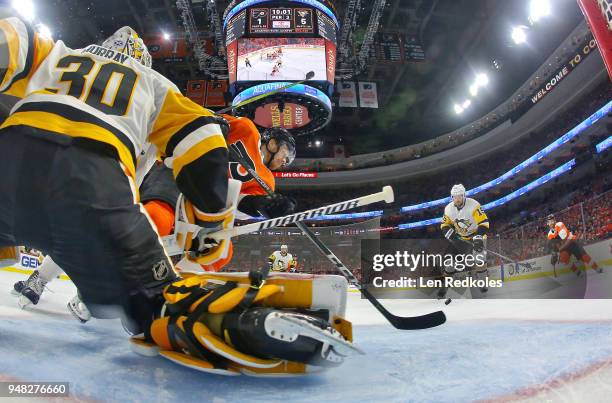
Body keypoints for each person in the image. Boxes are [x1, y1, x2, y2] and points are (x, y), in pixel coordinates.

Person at [0, 22, 233, 334]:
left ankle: (50, 285)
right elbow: (203, 140)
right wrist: (211, 221)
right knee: (157, 305)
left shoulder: (57, 52)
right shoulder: (153, 82)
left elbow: (9, 39)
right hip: (93, 175)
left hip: (10, 152)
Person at [438, 184, 490, 297]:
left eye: (459, 196)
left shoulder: (474, 205)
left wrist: (478, 237)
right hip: (460, 238)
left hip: (476, 236)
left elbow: (484, 223)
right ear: (451, 197)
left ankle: (482, 282)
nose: (457, 199)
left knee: (479, 257)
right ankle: (445, 285)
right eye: (454, 197)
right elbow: (444, 225)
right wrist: (450, 235)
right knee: (448, 262)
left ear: (464, 195)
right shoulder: (448, 209)